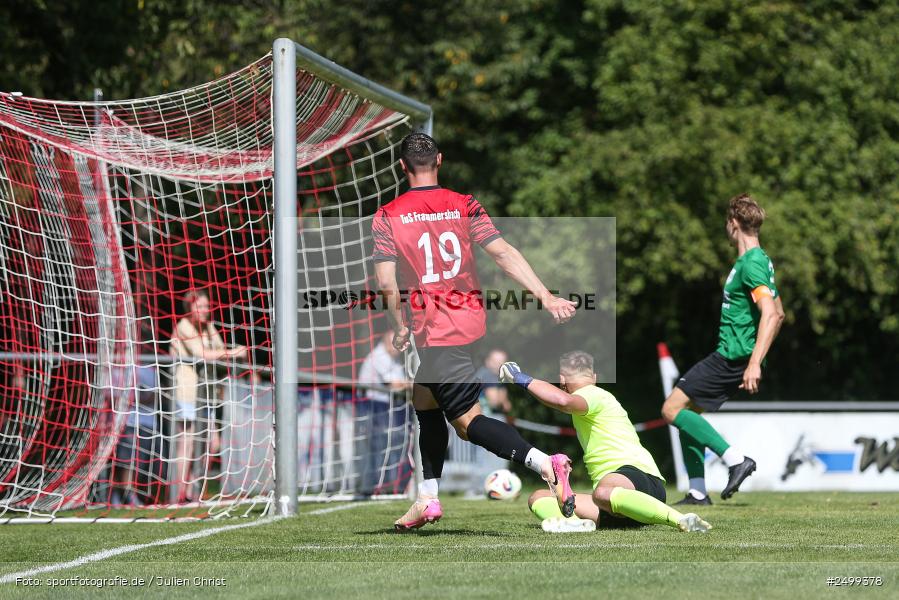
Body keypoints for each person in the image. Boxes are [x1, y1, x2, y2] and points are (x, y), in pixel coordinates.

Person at [372, 132, 578, 530]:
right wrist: (545, 296)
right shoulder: (464, 204)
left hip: (437, 329)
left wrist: (398, 325)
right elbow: (502, 253)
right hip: (466, 322)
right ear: (440, 160)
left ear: (401, 167)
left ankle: (545, 463)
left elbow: (385, 283)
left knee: (466, 424)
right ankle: (428, 499)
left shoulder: (387, 215)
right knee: (425, 402)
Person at [661, 194, 785, 505]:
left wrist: (754, 362)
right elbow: (779, 312)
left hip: (732, 355)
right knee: (688, 415)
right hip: (735, 353)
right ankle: (698, 492)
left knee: (671, 409)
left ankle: (735, 460)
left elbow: (770, 314)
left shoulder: (752, 263)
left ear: (733, 224)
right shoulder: (759, 261)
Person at [500, 351, 711, 534]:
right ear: (594, 376)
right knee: (538, 497)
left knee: (602, 492)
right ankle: (573, 525)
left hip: (641, 482)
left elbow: (563, 401)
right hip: (617, 504)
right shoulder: (596, 393)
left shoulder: (592, 394)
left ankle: (680, 519)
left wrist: (519, 378)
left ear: (562, 380)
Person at [170, 289, 247, 502]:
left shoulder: (208, 327)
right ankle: (182, 492)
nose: (205, 310)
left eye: (206, 306)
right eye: (200, 306)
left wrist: (232, 354)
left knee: (211, 443)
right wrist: (233, 352)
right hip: (187, 391)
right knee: (187, 441)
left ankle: (195, 489)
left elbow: (220, 351)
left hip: (207, 394)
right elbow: (203, 354)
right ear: (190, 306)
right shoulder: (184, 326)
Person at [358, 331, 414, 494]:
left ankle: (389, 486)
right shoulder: (379, 357)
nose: (400, 347)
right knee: (379, 448)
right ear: (387, 342)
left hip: (389, 408)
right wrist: (415, 385)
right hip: (375, 408)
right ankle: (374, 487)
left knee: (393, 447)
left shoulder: (393, 360)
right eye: (397, 343)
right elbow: (395, 384)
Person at [475, 349, 512, 416]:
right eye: (495, 362)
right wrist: (503, 401)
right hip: (480, 413)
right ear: (487, 361)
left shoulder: (495, 376)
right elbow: (494, 401)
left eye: (501, 363)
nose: (497, 365)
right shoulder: (488, 374)